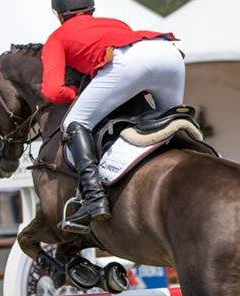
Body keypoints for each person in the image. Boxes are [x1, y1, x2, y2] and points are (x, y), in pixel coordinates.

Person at [43, 0, 182, 225]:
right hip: (169, 53)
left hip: (128, 63)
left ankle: (94, 199)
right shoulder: (116, 23)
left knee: (75, 122)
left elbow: (52, 91)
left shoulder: (57, 37)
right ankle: (208, 157)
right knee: (173, 122)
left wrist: (76, 94)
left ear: (58, 16)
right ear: (92, 10)